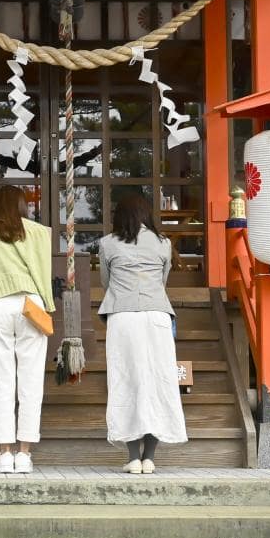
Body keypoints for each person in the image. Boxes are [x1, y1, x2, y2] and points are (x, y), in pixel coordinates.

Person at [98, 191, 187, 473]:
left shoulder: (107, 244)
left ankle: (132, 457)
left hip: (123, 316)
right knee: (158, 382)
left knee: (126, 381)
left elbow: (105, 282)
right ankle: (150, 457)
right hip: (157, 315)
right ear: (147, 214)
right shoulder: (163, 243)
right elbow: (163, 280)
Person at [0, 183, 54, 474]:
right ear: (22, 205)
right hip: (31, 305)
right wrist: (48, 305)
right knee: (31, 381)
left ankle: (5, 453)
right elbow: (43, 272)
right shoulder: (40, 232)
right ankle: (25, 454)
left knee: (1, 379)